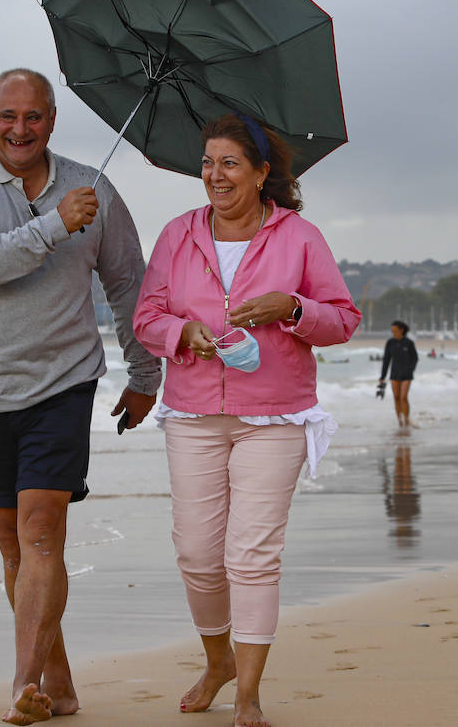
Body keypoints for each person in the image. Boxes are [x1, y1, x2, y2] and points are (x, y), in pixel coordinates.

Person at [0, 68, 162, 725]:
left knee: (40, 534)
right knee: (13, 545)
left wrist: (144, 375)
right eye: (8, 115)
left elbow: (129, 283)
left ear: (52, 120)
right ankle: (57, 681)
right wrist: (56, 224)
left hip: (63, 382)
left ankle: (21, 686)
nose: (20, 129)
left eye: (33, 116)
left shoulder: (96, 188)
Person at [134, 114, 360, 727]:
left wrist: (293, 307)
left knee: (253, 555)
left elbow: (342, 318)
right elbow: (147, 317)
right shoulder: (178, 234)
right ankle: (219, 662)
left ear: (262, 174)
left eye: (229, 163)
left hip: (276, 416)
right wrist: (184, 333)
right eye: (208, 162)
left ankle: (249, 693)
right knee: (197, 554)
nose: (215, 174)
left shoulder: (300, 237)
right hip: (193, 413)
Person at [379, 320, 419, 427]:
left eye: (395, 331)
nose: (393, 333)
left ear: (401, 330)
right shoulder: (390, 343)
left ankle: (406, 420)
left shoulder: (409, 343)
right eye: (392, 331)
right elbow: (386, 360)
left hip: (407, 375)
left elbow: (415, 358)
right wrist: (382, 376)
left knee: (403, 397)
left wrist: (411, 369)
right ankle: (400, 422)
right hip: (394, 374)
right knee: (396, 397)